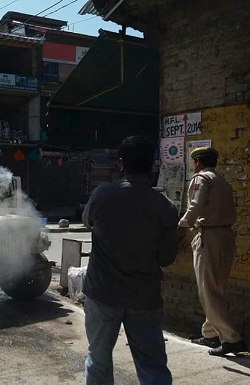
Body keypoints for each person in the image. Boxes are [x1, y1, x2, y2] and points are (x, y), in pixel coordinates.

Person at [82, 136, 178, 385]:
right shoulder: (164, 206)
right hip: (144, 298)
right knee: (152, 365)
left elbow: (87, 221)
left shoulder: (103, 194)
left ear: (121, 164)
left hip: (102, 294)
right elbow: (167, 258)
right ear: (152, 166)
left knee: (98, 359)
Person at [178, 147, 247, 356]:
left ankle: (231, 338)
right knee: (217, 286)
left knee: (208, 290)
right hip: (225, 235)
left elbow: (196, 205)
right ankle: (210, 333)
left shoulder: (201, 178)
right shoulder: (222, 180)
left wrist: (182, 224)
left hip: (209, 235)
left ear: (197, 162)